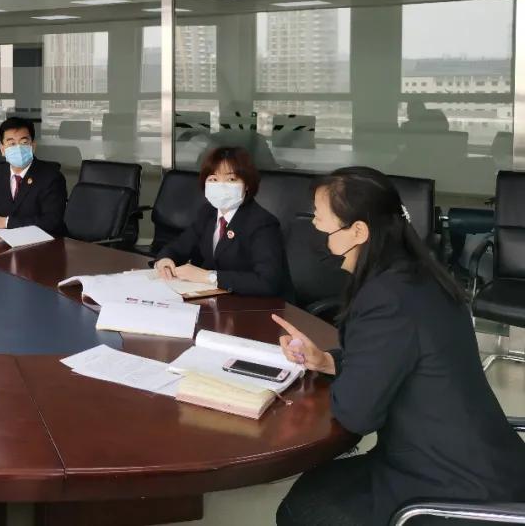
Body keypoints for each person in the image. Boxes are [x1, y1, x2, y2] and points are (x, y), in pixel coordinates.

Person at [274, 167, 525, 526]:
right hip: (483, 461)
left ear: (358, 231)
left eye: (319, 218)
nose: (312, 226)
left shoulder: (386, 299)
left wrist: (342, 382)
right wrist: (327, 361)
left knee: (301, 510)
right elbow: (399, 357)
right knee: (314, 490)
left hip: (449, 484)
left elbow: (357, 415)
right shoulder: (418, 274)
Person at [154, 146, 290, 296]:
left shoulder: (263, 223)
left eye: (231, 179)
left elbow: (267, 282)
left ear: (247, 185)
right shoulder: (208, 213)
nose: (221, 186)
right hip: (217, 298)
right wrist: (165, 260)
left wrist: (209, 277)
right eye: (213, 179)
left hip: (259, 305)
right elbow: (180, 246)